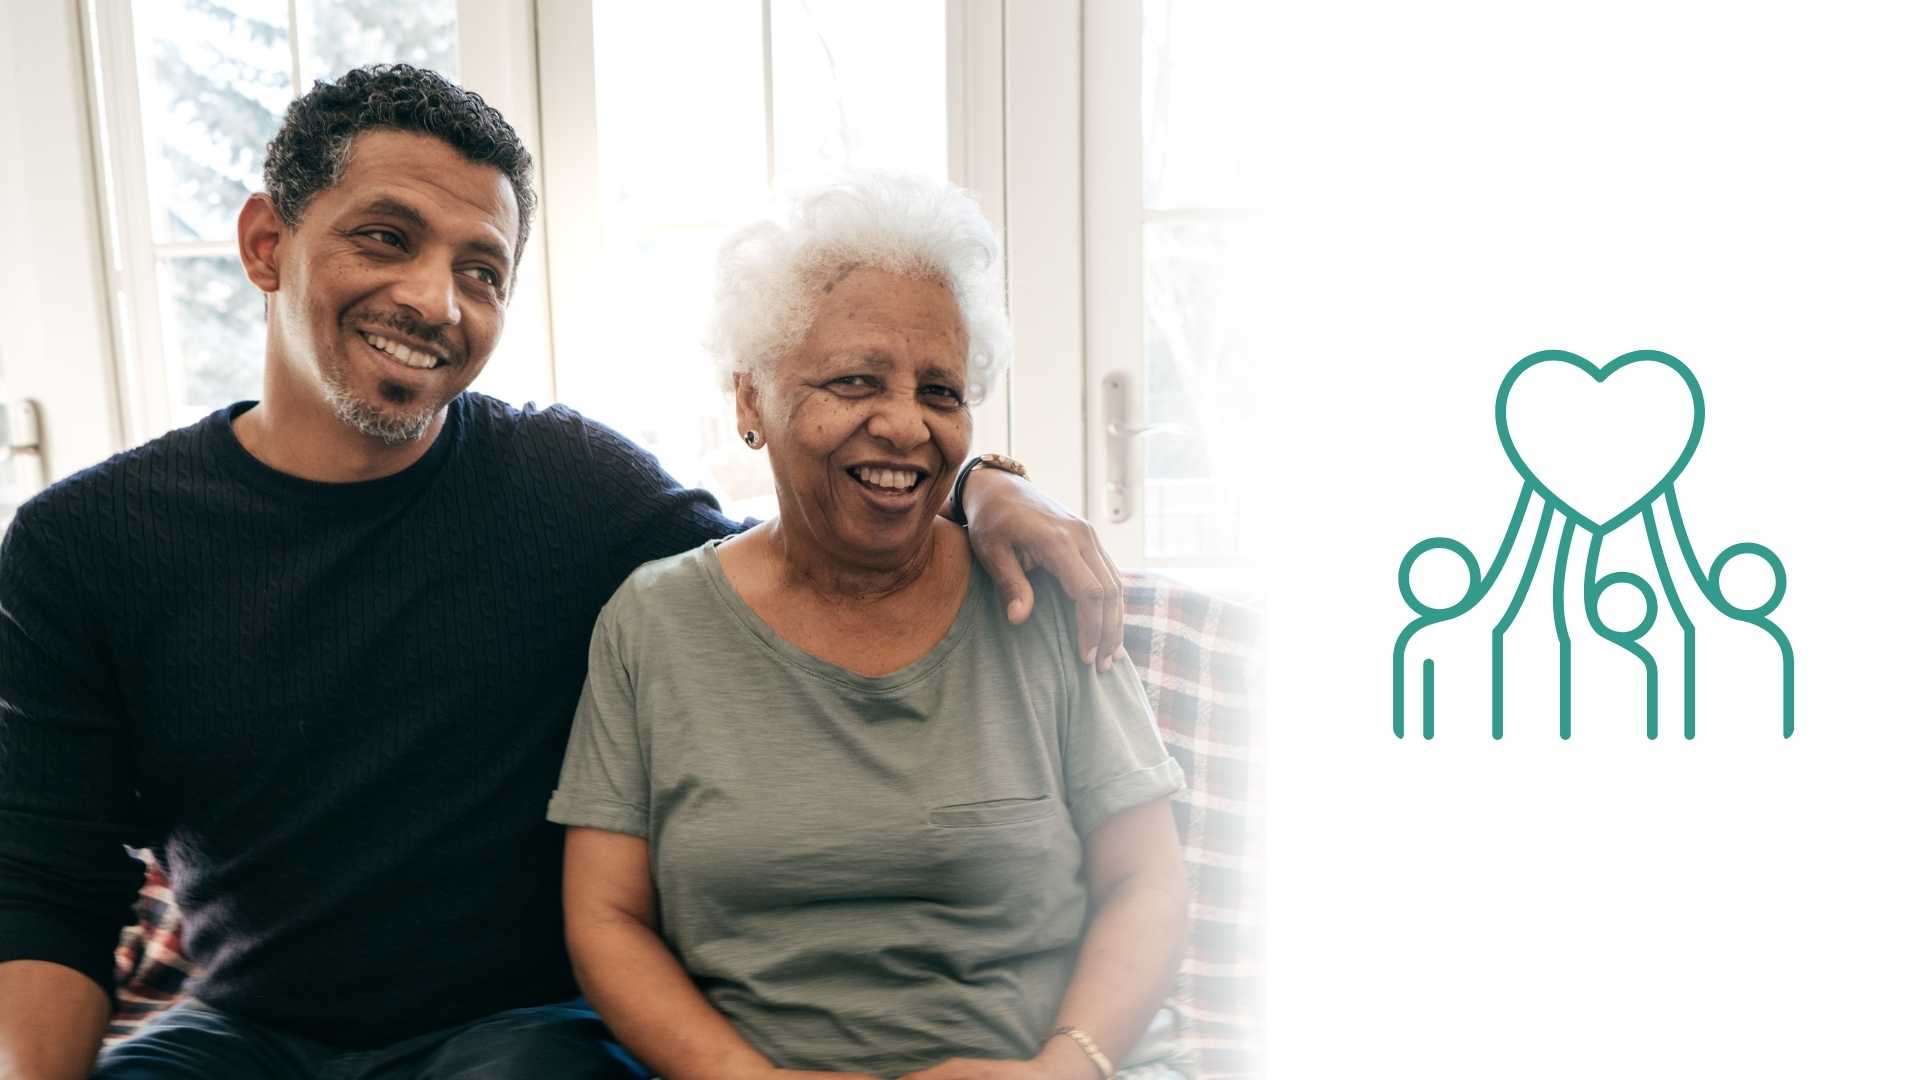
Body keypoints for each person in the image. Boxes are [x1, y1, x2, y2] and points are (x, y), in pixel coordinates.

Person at [0, 66, 1128, 1080]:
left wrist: (981, 485)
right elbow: (44, 892)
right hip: (243, 1030)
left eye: (480, 269)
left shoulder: (568, 487)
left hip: (516, 1032)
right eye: (386, 237)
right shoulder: (84, 545)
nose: (436, 300)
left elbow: (810, 532)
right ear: (264, 244)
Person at [549, 173, 1192, 1080]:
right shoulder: (654, 623)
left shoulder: (1038, 596)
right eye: (855, 381)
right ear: (750, 401)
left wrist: (1063, 1067)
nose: (904, 426)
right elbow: (606, 919)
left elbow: (1147, 881)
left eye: (941, 391)